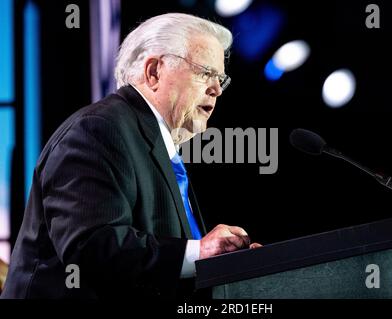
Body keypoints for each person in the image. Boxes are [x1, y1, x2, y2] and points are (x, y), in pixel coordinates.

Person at [1, 13, 260, 299]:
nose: (216, 90)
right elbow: (90, 246)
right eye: (205, 73)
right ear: (154, 72)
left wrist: (232, 266)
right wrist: (200, 251)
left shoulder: (154, 144)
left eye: (220, 78)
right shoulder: (97, 130)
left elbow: (166, 265)